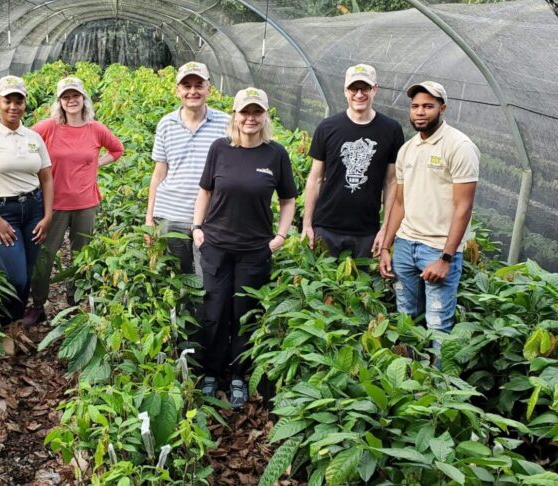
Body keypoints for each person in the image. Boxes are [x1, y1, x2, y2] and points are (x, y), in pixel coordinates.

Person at [192, 87, 297, 408]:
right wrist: (197, 228)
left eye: (256, 112)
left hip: (254, 250)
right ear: (235, 115)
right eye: (245, 112)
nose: (250, 118)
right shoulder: (220, 148)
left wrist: (280, 236)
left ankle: (238, 375)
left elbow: (288, 199)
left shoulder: (275, 154)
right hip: (216, 245)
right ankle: (211, 373)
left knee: (244, 313)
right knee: (214, 311)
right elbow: (205, 191)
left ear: (265, 116)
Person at [379, 81, 479, 360]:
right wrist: (386, 246)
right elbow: (399, 203)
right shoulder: (407, 149)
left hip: (437, 249)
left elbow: (463, 207)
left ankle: (438, 383)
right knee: (406, 319)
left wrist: (446, 258)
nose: (420, 112)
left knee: (438, 326)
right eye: (415, 106)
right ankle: (409, 375)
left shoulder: (459, 146)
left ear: (442, 108)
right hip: (405, 245)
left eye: (427, 106)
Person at [30, 77, 124, 319]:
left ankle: (75, 302)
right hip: (54, 203)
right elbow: (25, 143)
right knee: (45, 254)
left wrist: (97, 164)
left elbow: (117, 149)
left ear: (84, 99)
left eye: (75, 96)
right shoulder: (48, 127)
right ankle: (38, 304)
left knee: (81, 255)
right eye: (66, 97)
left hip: (86, 203)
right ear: (59, 102)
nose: (71, 101)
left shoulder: (96, 129)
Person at [0, 75, 54, 326]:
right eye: (8, 101)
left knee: (27, 271)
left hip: (33, 210)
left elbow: (46, 178)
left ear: (25, 104)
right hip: (2, 211)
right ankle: (7, 322)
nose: (13, 107)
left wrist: (48, 216)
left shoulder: (33, 137)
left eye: (19, 101)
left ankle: (15, 325)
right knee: (16, 276)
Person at [301, 64, 404, 259]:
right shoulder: (327, 127)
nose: (359, 94)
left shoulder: (391, 130)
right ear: (345, 91)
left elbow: (391, 182)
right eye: (353, 89)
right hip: (326, 227)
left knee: (363, 279)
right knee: (323, 276)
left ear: (375, 89)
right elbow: (315, 179)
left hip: (367, 231)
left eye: (365, 88)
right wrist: (307, 224)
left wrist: (385, 229)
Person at [146, 62, 229, 277]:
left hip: (211, 217)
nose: (193, 91)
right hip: (171, 215)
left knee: (207, 277)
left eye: (198, 85)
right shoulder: (166, 124)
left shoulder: (226, 124)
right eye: (186, 86)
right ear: (178, 90)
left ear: (209, 89)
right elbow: (159, 173)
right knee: (178, 277)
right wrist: (149, 217)